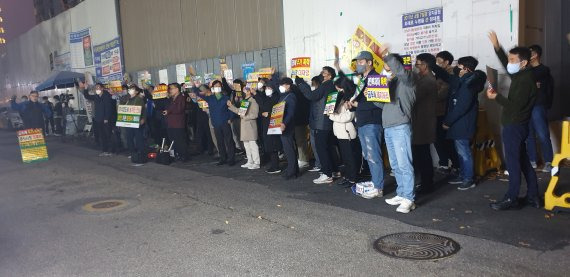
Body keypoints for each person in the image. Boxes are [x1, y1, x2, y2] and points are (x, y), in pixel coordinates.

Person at [486, 31, 539, 210]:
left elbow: (514, 106)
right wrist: (497, 47)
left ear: (523, 62)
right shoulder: (522, 75)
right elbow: (505, 63)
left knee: (513, 163)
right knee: (523, 161)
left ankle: (512, 198)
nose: (509, 63)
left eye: (513, 60)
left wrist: (496, 97)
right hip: (518, 125)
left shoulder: (525, 81)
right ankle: (533, 196)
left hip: (515, 126)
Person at [436, 56, 483, 190]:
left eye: (459, 65)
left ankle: (469, 179)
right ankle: (463, 175)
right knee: (460, 152)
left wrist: (448, 122)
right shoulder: (463, 81)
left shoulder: (468, 84)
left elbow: (461, 107)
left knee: (464, 152)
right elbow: (447, 77)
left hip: (463, 124)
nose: (456, 67)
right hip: (459, 124)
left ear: (465, 68)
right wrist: (434, 66)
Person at [378, 50, 417, 213]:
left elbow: (401, 71)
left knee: (404, 164)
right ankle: (401, 193)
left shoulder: (409, 79)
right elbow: (383, 105)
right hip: (388, 126)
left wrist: (387, 55)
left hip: (400, 125)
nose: (386, 67)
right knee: (395, 165)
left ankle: (409, 198)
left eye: (388, 64)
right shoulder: (391, 82)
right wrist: (375, 95)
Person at [347, 51, 385, 198]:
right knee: (369, 155)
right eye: (357, 62)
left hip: (372, 122)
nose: (358, 64)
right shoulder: (363, 80)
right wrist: (353, 104)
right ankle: (376, 183)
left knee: (373, 155)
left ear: (369, 62)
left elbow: (379, 104)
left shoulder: (376, 78)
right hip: (362, 122)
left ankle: (378, 187)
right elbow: (364, 102)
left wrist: (357, 104)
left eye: (361, 61)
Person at [299, 66, 339, 184]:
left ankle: (326, 174)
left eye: (324, 72)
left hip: (322, 122)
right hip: (326, 121)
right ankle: (334, 170)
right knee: (329, 147)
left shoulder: (326, 86)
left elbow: (312, 96)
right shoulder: (331, 86)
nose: (322, 74)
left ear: (330, 75)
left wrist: (301, 83)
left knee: (321, 148)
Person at [412, 53, 438, 195]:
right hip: (420, 122)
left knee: (423, 155)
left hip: (423, 124)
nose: (416, 67)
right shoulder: (423, 79)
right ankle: (425, 182)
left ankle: (427, 184)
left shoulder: (427, 81)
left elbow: (413, 97)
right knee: (421, 154)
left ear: (425, 65)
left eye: (418, 64)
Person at [329, 74, 361, 187]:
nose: (337, 90)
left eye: (339, 87)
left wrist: (332, 116)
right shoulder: (342, 97)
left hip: (347, 132)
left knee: (350, 157)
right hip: (340, 132)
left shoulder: (352, 98)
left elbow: (348, 117)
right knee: (345, 158)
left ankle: (352, 179)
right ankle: (348, 176)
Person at [526, 44, 554, 173]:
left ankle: (549, 162)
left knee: (542, 134)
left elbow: (535, 80)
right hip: (527, 105)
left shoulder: (543, 70)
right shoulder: (527, 70)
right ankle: (532, 161)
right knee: (529, 134)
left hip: (538, 105)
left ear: (535, 55)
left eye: (529, 53)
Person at [200, 80, 235, 166]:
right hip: (215, 123)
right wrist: (195, 85)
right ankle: (223, 158)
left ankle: (231, 159)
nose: (217, 88)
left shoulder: (225, 97)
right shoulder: (210, 98)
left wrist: (231, 118)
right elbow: (198, 92)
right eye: (215, 86)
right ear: (212, 88)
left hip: (225, 122)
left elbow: (230, 108)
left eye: (219, 86)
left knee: (229, 141)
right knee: (219, 141)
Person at [434, 50, 458, 172]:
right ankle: (443, 163)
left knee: (447, 140)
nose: (436, 64)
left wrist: (429, 94)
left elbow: (442, 94)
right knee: (437, 139)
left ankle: (455, 165)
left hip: (444, 112)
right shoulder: (438, 74)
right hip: (435, 111)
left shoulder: (451, 75)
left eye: (439, 62)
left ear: (447, 62)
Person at [253, 78, 282, 174]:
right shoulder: (267, 96)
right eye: (267, 87)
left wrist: (268, 113)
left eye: (269, 87)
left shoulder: (275, 97)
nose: (267, 89)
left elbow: (265, 106)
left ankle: (276, 166)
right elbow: (262, 108)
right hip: (266, 124)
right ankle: (273, 164)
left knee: (273, 145)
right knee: (269, 145)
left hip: (273, 124)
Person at [228, 86, 260, 169]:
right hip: (245, 126)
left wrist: (244, 117)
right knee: (246, 145)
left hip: (250, 126)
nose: (242, 92)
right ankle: (250, 161)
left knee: (253, 145)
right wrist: (231, 106)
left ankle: (256, 162)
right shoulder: (245, 101)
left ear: (249, 92)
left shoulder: (253, 101)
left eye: (244, 90)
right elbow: (240, 112)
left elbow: (255, 114)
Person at [80, 82, 115, 156]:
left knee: (108, 134)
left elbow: (108, 108)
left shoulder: (107, 95)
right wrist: (86, 88)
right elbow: (87, 96)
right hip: (98, 119)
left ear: (102, 88)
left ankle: (111, 150)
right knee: (102, 136)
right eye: (96, 88)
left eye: (98, 88)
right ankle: (104, 150)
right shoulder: (96, 96)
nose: (97, 89)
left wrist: (106, 118)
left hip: (106, 119)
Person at [277, 78, 298, 179]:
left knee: (289, 148)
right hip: (281, 125)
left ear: (288, 85)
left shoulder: (291, 96)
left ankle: (291, 171)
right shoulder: (283, 96)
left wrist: (284, 123)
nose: (280, 86)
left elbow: (291, 113)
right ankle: (294, 170)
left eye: (283, 84)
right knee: (287, 148)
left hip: (287, 126)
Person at [164, 83, 188, 162]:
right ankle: (177, 154)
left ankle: (183, 155)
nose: (170, 90)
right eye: (170, 89)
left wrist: (169, 111)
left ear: (177, 89)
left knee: (180, 140)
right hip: (170, 122)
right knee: (173, 140)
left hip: (178, 122)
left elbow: (179, 109)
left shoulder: (181, 97)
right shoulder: (171, 98)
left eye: (172, 88)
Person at [123, 85, 147, 165]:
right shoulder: (127, 99)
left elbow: (143, 111)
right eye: (130, 89)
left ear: (136, 91)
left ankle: (141, 158)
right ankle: (134, 155)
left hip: (137, 122)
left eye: (132, 89)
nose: (130, 90)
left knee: (139, 140)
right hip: (129, 123)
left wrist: (143, 119)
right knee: (129, 139)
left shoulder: (139, 99)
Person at [223, 78, 246, 154]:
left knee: (243, 134)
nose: (235, 86)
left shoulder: (244, 93)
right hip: (234, 116)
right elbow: (226, 87)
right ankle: (241, 148)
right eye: (234, 85)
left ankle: (245, 150)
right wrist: (223, 78)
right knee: (236, 134)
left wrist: (238, 100)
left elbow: (244, 105)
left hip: (242, 116)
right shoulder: (233, 92)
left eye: (237, 85)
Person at [307, 76, 323, 172]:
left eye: (313, 83)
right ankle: (318, 163)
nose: (312, 86)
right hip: (313, 123)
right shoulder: (314, 95)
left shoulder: (318, 95)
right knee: (314, 145)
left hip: (317, 124)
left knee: (318, 146)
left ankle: (320, 164)